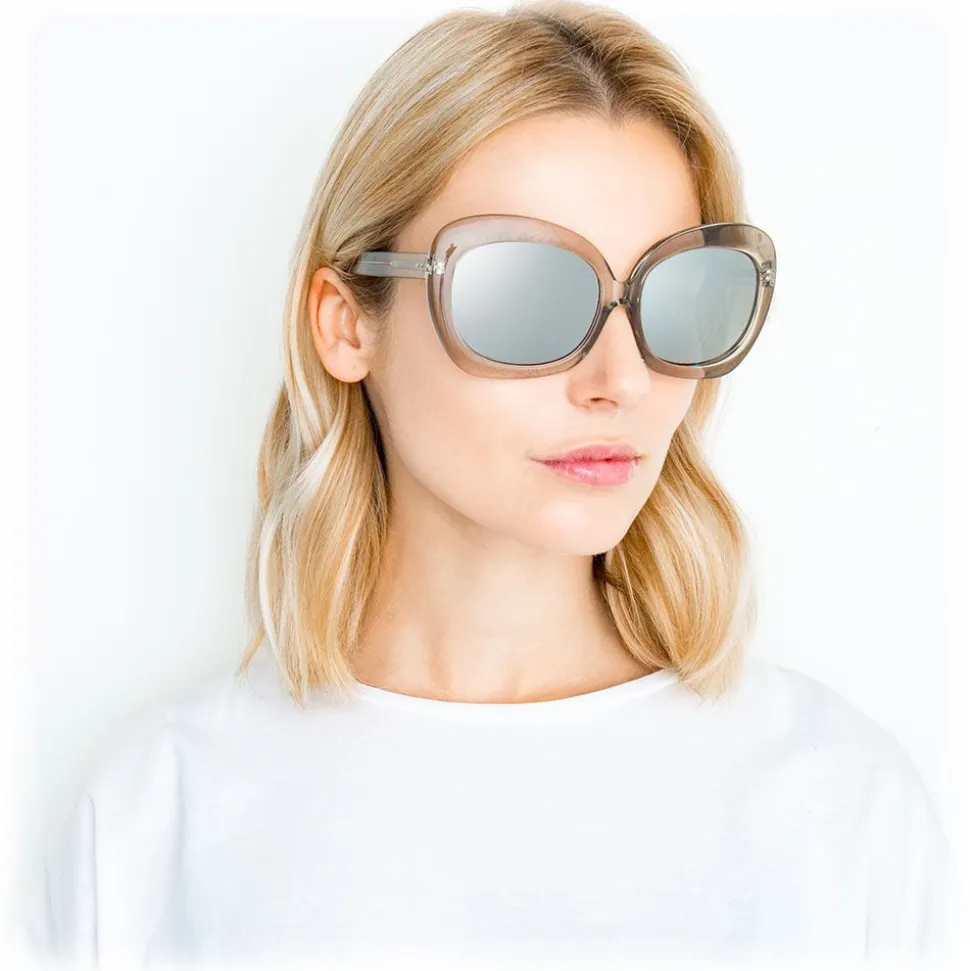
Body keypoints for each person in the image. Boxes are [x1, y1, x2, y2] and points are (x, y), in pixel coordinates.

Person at [18, 1, 952, 968]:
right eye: (526, 292)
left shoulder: (842, 812)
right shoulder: (151, 822)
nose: (622, 380)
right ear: (346, 323)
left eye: (677, 294)